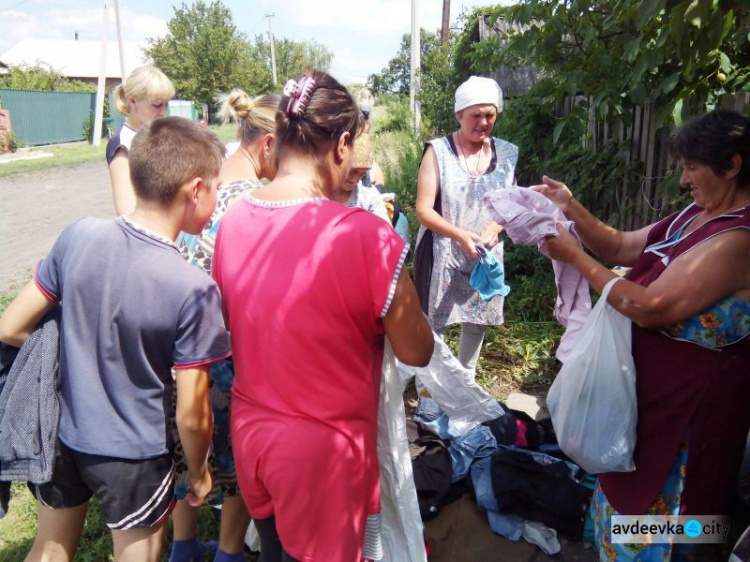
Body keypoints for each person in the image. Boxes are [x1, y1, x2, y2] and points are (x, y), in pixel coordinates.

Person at [212, 71, 434, 562]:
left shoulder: (233, 221)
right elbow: (418, 350)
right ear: (343, 145)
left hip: (253, 435)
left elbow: (237, 319)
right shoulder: (367, 237)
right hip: (324, 456)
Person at [0, 117, 230, 562]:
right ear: (195, 189)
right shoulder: (193, 288)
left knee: (48, 551)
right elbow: (192, 414)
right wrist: (200, 472)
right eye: (217, 189)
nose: (218, 200)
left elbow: (10, 326)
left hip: (63, 434)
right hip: (134, 454)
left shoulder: (78, 235)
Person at [536, 109, 750, 560]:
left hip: (695, 414)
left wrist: (576, 258)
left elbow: (648, 307)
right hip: (650, 404)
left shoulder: (739, 239)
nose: (684, 179)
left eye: (693, 167)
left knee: (686, 508)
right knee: (629, 491)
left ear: (732, 165)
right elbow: (617, 246)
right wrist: (569, 204)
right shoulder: (692, 217)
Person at [170, 90, 279, 562]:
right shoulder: (256, 202)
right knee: (238, 462)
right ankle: (230, 553)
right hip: (232, 354)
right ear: (270, 145)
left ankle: (184, 546)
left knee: (186, 453)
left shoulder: (199, 186)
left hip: (181, 350)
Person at [414, 75, 518, 370]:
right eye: (476, 115)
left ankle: (465, 387)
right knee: (436, 327)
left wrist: (496, 228)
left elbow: (511, 206)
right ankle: (431, 398)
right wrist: (459, 235)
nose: (483, 122)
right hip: (442, 252)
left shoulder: (507, 154)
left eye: (490, 115)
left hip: (483, 255)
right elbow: (424, 210)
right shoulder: (439, 152)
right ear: (459, 114)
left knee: (477, 322)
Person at [106, 65, 175, 215]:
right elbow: (127, 212)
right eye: (157, 105)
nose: (163, 112)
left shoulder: (158, 133)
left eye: (166, 104)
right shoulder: (122, 145)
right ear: (132, 101)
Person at [331, 132, 390, 222]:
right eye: (353, 171)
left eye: (362, 174)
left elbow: (386, 231)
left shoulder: (368, 196)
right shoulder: (320, 192)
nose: (355, 180)